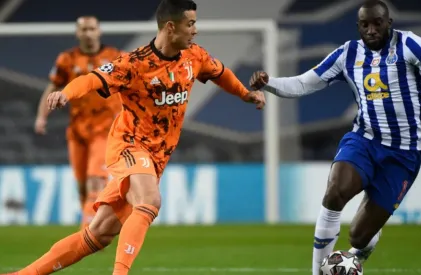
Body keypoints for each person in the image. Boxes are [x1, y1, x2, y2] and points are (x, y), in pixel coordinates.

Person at [9, 0, 265, 274]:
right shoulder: (134, 64)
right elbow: (93, 79)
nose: (195, 30)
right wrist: (65, 94)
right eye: (190, 24)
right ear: (170, 26)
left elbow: (220, 73)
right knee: (149, 201)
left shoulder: (195, 57)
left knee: (99, 234)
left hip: (156, 156)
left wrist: (244, 94)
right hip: (128, 145)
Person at [249, 1, 421, 274]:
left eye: (377, 23)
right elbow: (305, 83)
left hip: (404, 154)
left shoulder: (409, 45)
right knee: (335, 192)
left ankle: (361, 248)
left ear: (389, 23)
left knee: (359, 237)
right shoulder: (348, 53)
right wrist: (268, 82)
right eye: (365, 24)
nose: (372, 30)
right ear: (358, 26)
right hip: (364, 140)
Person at [34, 15, 122, 229]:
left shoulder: (115, 57)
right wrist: (41, 116)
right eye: (84, 30)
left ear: (99, 31)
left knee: (96, 180)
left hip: (105, 128)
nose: (88, 33)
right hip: (78, 130)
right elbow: (52, 87)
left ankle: (89, 232)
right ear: (77, 33)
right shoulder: (67, 59)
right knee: (82, 186)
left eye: (92, 29)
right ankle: (95, 224)